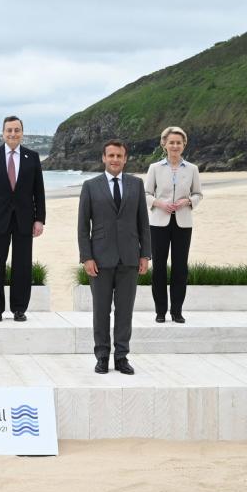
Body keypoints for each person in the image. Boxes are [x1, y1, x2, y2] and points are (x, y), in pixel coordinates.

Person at [78, 139, 151, 375]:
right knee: (101, 311)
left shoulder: (136, 185)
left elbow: (143, 224)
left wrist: (145, 255)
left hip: (130, 257)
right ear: (103, 158)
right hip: (99, 259)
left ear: (125, 158)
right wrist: (86, 257)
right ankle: (102, 357)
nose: (115, 160)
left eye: (119, 156)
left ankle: (121, 357)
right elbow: (82, 227)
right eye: (111, 156)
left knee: (124, 311)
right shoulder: (90, 186)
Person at [0, 115, 46, 322]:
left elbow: (38, 191)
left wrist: (39, 219)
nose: (13, 134)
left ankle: (19, 309)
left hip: (25, 219)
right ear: (3, 133)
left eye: (17, 130)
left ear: (22, 133)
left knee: (23, 265)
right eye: (9, 130)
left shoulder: (32, 157)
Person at [145, 126, 203, 323]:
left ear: (184, 145)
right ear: (164, 144)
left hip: (183, 222)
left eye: (179, 142)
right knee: (159, 267)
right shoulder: (155, 168)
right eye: (171, 142)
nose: (175, 146)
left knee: (180, 267)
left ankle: (176, 311)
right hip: (158, 222)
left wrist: (187, 202)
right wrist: (159, 203)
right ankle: (160, 311)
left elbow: (198, 194)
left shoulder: (192, 169)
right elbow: (145, 194)